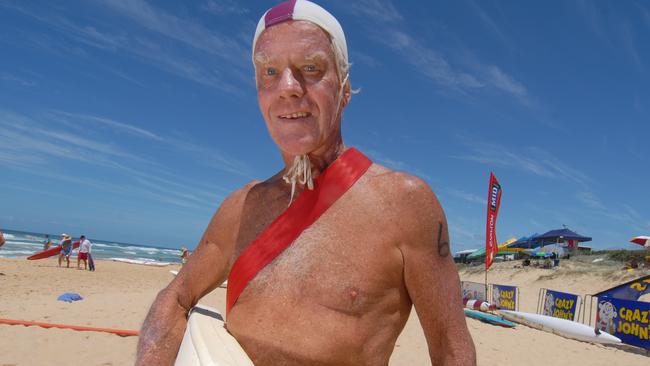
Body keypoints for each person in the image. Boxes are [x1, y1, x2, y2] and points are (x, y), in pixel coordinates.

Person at [136, 1, 475, 365]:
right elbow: (175, 299)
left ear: (344, 90)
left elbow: (449, 347)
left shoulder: (404, 205)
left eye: (310, 68)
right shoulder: (240, 207)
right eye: (269, 71)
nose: (288, 88)